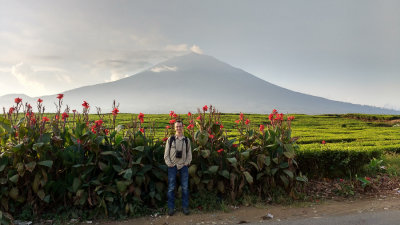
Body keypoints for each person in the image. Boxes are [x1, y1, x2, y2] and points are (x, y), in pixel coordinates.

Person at [164, 120, 192, 216]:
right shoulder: (170, 139)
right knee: (171, 187)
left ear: (182, 127)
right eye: (177, 127)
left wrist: (186, 163)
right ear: (174, 128)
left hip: (183, 166)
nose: (178, 128)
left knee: (185, 187)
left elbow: (189, 154)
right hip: (173, 166)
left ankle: (185, 207)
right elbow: (166, 154)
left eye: (180, 126)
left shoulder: (186, 140)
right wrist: (169, 163)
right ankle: (171, 208)